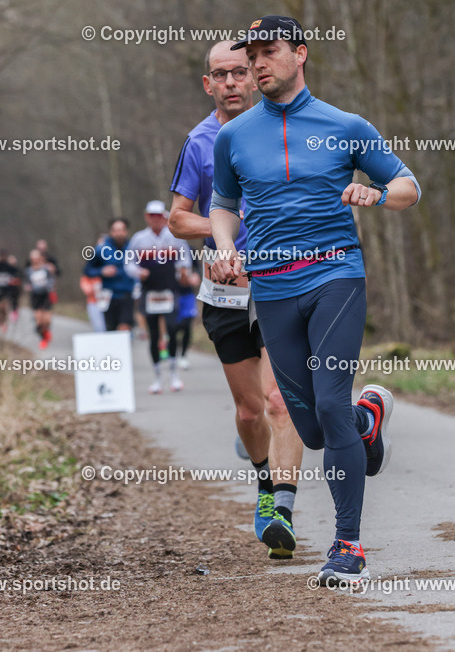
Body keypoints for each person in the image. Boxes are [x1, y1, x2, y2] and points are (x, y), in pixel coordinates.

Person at [210, 16, 421, 586]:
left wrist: (375, 192)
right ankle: (367, 419)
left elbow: (408, 186)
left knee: (328, 404)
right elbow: (223, 206)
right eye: (251, 54)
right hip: (271, 286)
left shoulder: (345, 125)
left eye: (269, 52)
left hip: (335, 276)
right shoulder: (234, 136)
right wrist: (226, 246)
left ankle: (347, 548)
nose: (257, 64)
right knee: (315, 428)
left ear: (299, 54)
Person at [169, 40, 304, 558]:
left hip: (280, 285)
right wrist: (226, 229)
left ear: (256, 77)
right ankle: (265, 483)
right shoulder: (200, 142)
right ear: (209, 84)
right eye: (219, 75)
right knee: (250, 413)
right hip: (224, 292)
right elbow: (179, 218)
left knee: (278, 402)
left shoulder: (287, 131)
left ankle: (282, 509)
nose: (230, 82)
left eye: (239, 73)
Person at [125, 200, 199, 394]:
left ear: (164, 216)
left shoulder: (174, 237)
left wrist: (183, 272)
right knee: (153, 335)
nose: (155, 220)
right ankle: (157, 377)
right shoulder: (139, 239)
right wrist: (138, 272)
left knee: (173, 329)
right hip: (149, 291)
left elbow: (185, 259)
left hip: (170, 290)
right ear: (146, 217)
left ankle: (174, 374)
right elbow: (128, 263)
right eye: (152, 216)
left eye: (159, 216)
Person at [84, 219, 136, 332]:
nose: (119, 234)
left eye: (122, 230)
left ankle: (124, 347)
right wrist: (102, 271)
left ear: (126, 231)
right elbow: (87, 270)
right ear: (111, 232)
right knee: (111, 330)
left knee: (125, 328)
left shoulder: (133, 247)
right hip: (108, 296)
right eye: (116, 230)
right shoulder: (101, 249)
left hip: (127, 294)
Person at [24, 249, 56, 348]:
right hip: (35, 296)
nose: (35, 260)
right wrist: (27, 286)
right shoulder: (28, 271)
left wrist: (50, 287)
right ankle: (43, 338)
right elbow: (26, 282)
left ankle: (46, 334)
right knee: (39, 321)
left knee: (47, 320)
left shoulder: (46, 269)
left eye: (37, 257)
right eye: (33, 258)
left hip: (45, 295)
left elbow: (52, 279)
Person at [0, 249, 18, 332]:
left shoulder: (9, 267)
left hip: (6, 290)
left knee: (4, 307)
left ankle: (3, 322)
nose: (2, 258)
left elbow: (16, 275)